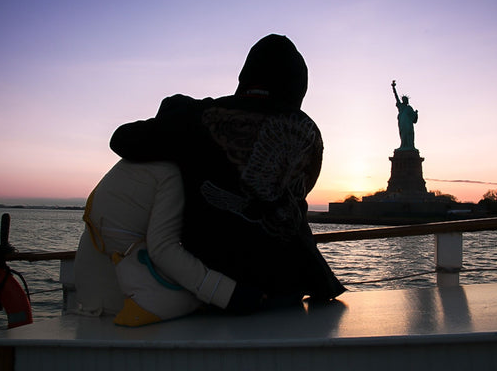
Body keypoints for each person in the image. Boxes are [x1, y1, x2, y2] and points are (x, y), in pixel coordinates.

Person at [109, 34, 345, 305]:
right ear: (297, 88)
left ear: (245, 76)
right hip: (295, 283)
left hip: (226, 288)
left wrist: (175, 112)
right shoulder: (310, 133)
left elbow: (122, 139)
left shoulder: (199, 116)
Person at [74, 159, 263, 327]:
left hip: (89, 294)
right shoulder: (169, 173)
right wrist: (230, 295)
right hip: (122, 301)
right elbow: (163, 249)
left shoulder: (132, 164)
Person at [391, 80, 418, 150]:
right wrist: (393, 88)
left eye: (405, 99)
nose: (404, 100)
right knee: (403, 134)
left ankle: (410, 146)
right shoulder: (400, 106)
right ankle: (403, 145)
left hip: (408, 124)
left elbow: (414, 119)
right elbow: (396, 97)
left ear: (407, 100)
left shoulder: (409, 108)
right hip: (402, 123)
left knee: (409, 134)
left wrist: (416, 113)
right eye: (403, 99)